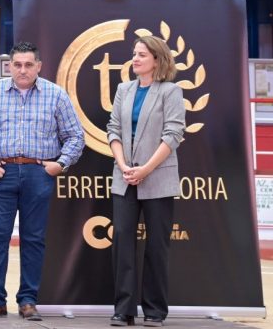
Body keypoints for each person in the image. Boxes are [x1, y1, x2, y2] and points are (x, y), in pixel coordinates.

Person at [0, 41, 85, 322]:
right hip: (1, 174)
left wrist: (61, 164)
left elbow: (76, 137)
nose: (22, 70)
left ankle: (28, 300)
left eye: (28, 65)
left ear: (39, 67)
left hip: (38, 174)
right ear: (9, 66)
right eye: (17, 64)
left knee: (33, 239)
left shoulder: (55, 95)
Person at [107, 36, 185, 328]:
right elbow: (113, 129)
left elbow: (173, 135)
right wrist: (124, 165)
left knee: (156, 247)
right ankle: (123, 310)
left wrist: (146, 169)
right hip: (125, 177)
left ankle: (154, 311)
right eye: (134, 54)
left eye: (141, 54)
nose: (135, 59)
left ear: (157, 59)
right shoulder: (123, 89)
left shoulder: (171, 91)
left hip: (158, 179)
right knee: (123, 244)